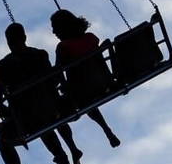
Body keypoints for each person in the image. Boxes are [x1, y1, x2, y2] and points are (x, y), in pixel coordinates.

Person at [0, 23, 77, 164]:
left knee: (3, 139)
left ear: (8, 42)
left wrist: (7, 112)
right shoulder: (40, 55)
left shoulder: (3, 66)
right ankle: (63, 162)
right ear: (24, 37)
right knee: (44, 120)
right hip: (50, 110)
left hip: (26, 120)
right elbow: (54, 80)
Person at [50, 10, 121, 156]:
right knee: (87, 94)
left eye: (55, 27)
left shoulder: (64, 47)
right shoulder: (91, 38)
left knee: (54, 114)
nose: (53, 31)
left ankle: (73, 149)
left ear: (63, 27)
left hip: (79, 95)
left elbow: (57, 75)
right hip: (103, 84)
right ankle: (107, 130)